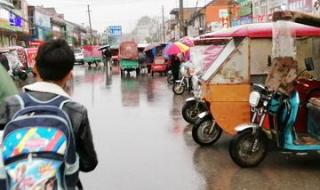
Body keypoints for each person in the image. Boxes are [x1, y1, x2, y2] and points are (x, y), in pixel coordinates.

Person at [0, 39, 98, 189]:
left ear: (35, 68)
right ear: (69, 75)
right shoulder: (75, 111)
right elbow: (88, 163)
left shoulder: (9, 105)